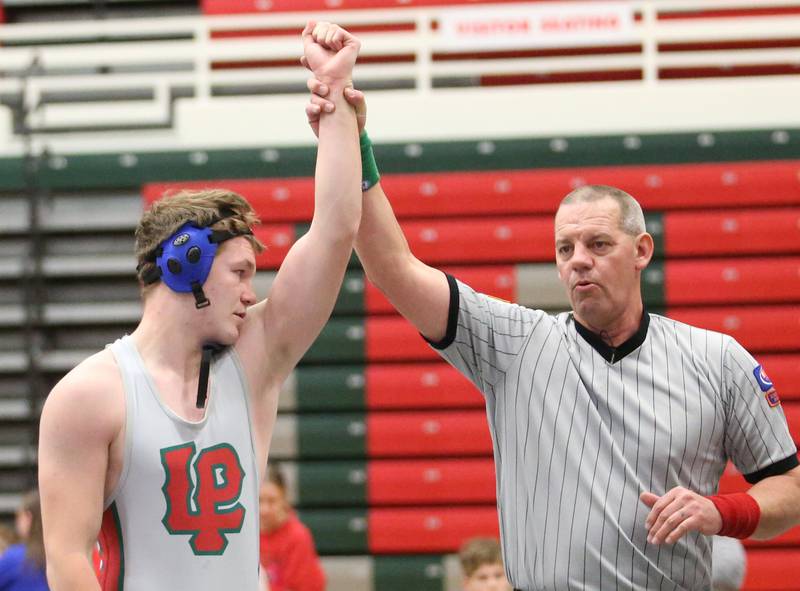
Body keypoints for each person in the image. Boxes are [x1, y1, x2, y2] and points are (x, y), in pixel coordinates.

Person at [303, 87, 800, 589]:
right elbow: (392, 266)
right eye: (565, 248)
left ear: (642, 250)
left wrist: (723, 512)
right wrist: (351, 139)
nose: (578, 259)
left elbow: (790, 489)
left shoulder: (717, 360)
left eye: (598, 243)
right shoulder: (515, 344)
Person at [37, 21, 362, 591]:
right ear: (183, 264)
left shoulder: (255, 360)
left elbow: (335, 231)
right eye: (239, 273)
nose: (248, 293)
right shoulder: (90, 395)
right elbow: (67, 563)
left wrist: (333, 97)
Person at [258, 465, 325, 591]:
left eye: (271, 501)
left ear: (284, 500)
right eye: (259, 501)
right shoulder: (247, 536)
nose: (264, 510)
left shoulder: (297, 537)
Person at [0, 490, 48, 591]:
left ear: (28, 518)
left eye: (18, 516)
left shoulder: (14, 557)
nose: (16, 522)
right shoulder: (59, 556)